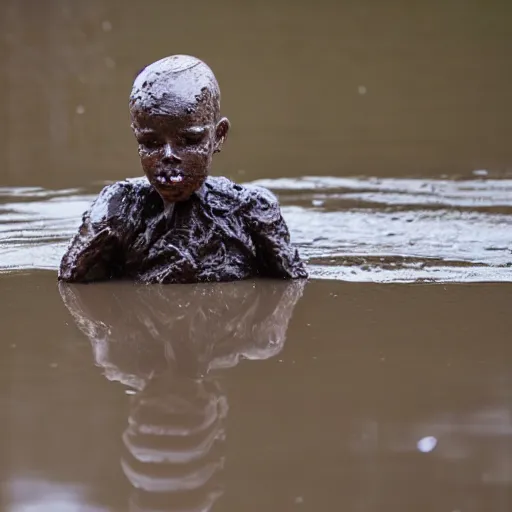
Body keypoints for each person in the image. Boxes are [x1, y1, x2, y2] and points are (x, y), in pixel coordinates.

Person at [58, 54, 308, 284]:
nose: (169, 156)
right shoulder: (120, 208)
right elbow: (72, 284)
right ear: (137, 137)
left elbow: (293, 288)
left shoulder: (252, 211)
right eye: (151, 143)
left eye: (189, 141)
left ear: (218, 136)